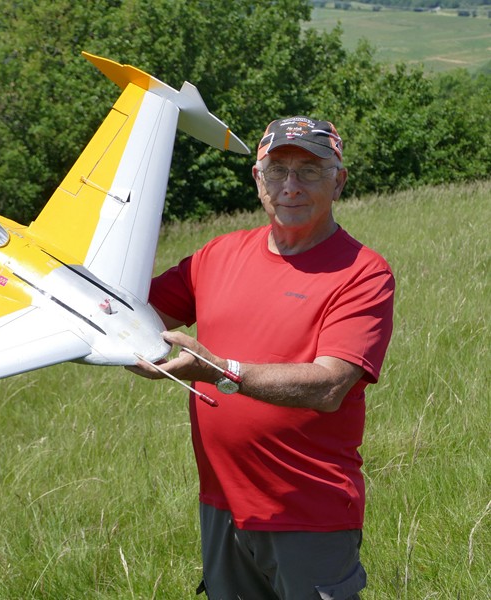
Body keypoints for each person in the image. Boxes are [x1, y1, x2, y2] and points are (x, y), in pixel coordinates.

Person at [129, 116, 395, 599]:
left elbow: (329, 386)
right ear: (258, 179)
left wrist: (220, 371)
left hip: (308, 511)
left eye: (309, 171)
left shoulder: (362, 273)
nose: (290, 186)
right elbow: (133, 316)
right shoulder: (217, 255)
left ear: (339, 182)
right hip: (222, 504)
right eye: (277, 171)